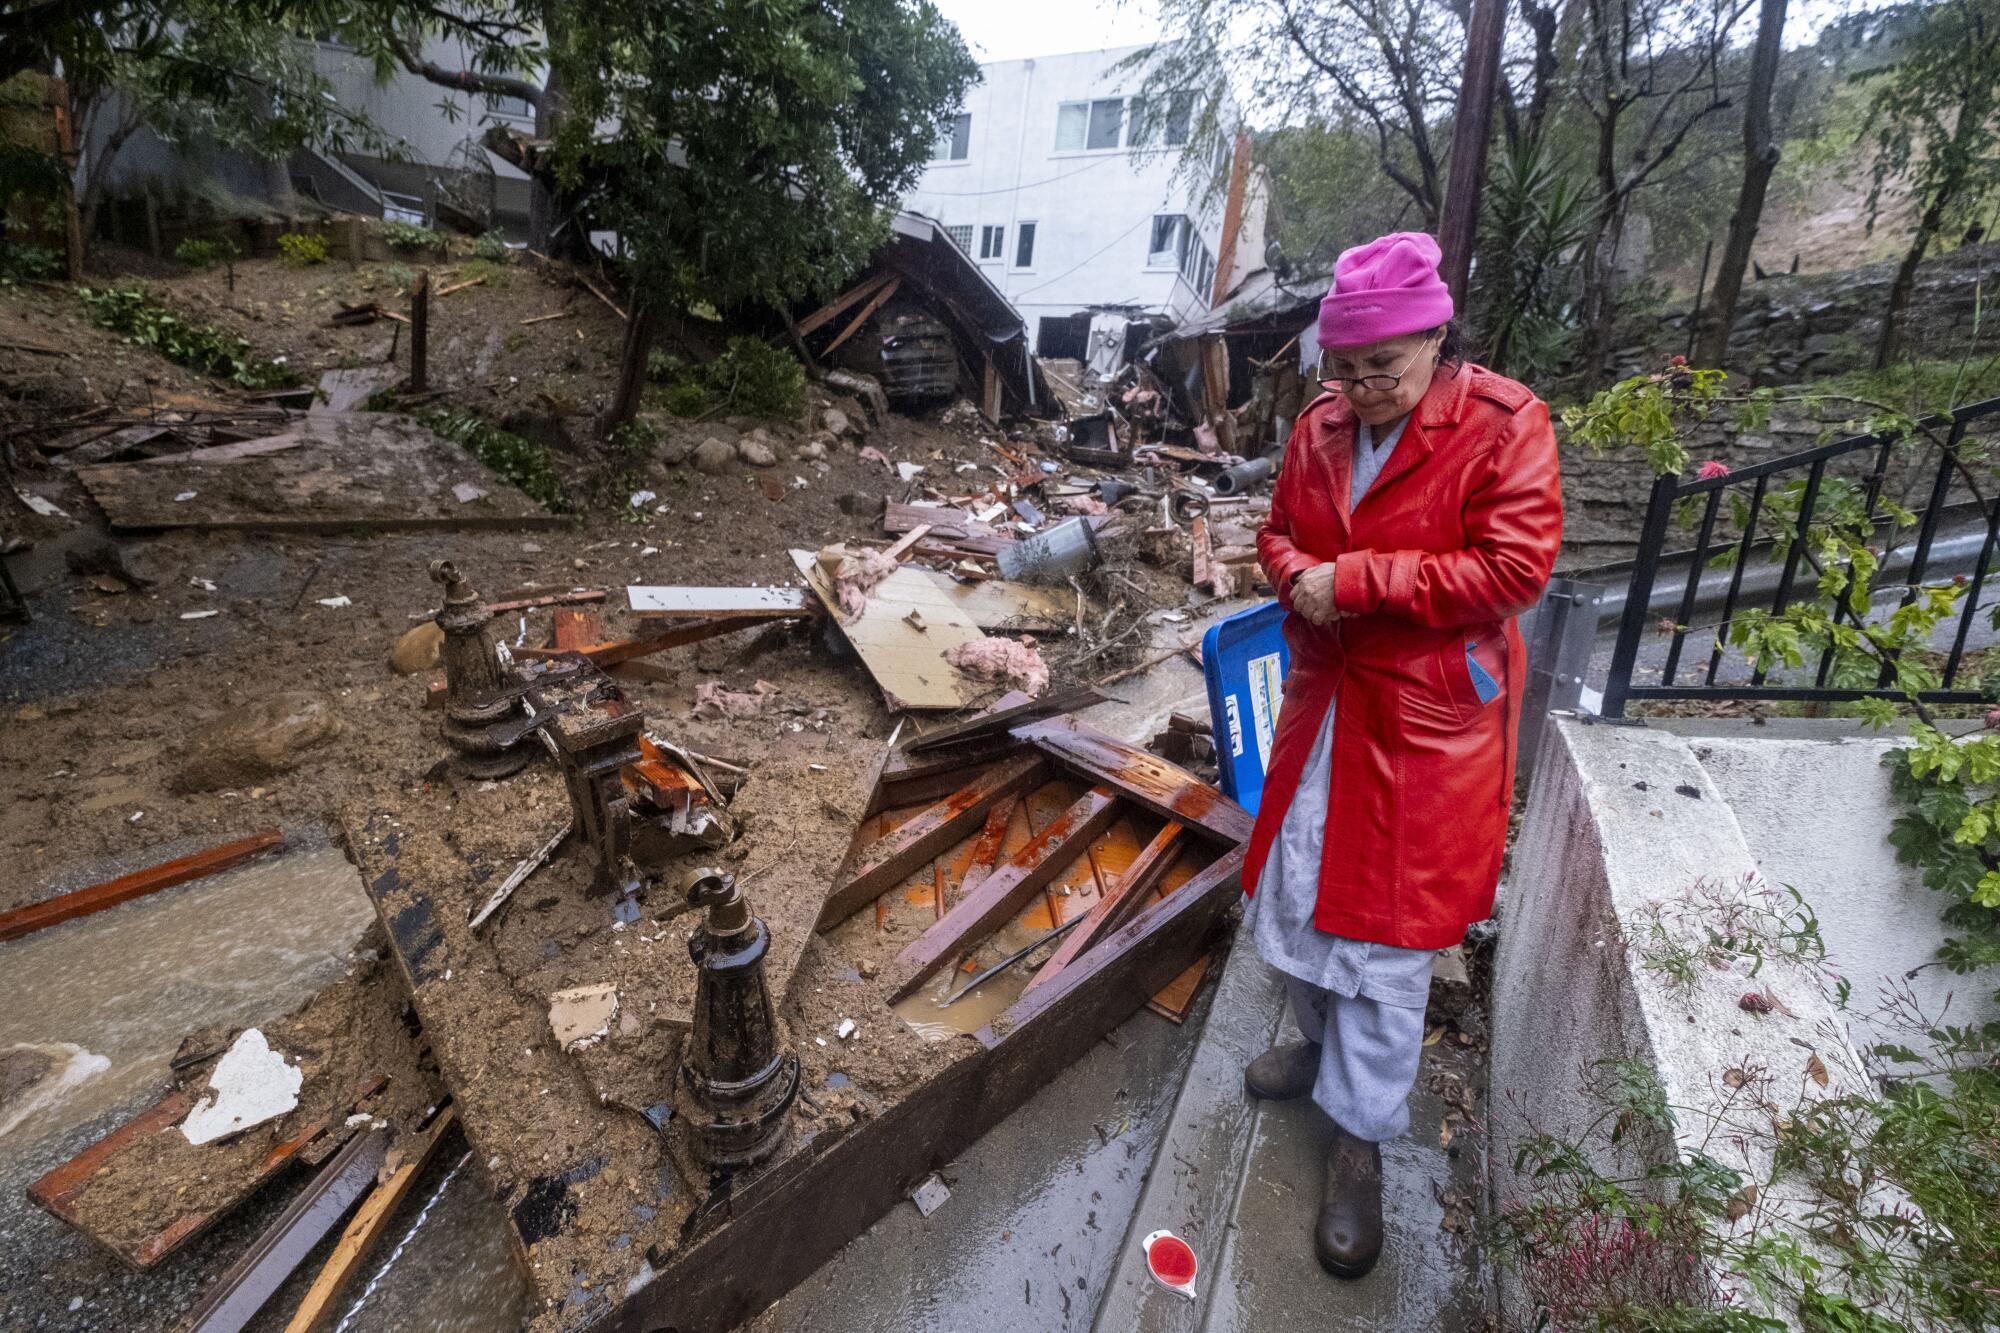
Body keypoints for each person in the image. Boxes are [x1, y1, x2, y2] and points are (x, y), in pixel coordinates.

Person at [1244, 231, 1563, 1279]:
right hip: (1327, 697)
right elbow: (1279, 532)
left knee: (1384, 944)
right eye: (1340, 368)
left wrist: (1359, 580)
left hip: (1424, 721)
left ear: (1435, 338)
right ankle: (1317, 1050)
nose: (1358, 389)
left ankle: (1358, 1138)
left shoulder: (1502, 424)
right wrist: (1296, 574)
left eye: (1381, 367)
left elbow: (1512, 568)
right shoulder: (1319, 426)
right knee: (1293, 897)